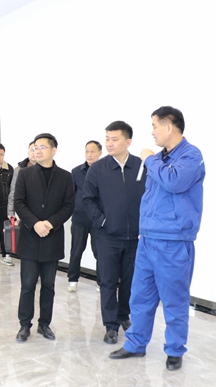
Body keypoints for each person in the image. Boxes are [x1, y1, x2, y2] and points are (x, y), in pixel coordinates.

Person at [110, 106, 205, 372]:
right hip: (148, 239)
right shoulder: (160, 158)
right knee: (140, 297)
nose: (152, 132)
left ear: (169, 126)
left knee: (174, 300)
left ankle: (174, 350)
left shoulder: (190, 155)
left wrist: (150, 160)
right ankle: (135, 344)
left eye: (154, 126)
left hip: (173, 241)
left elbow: (174, 182)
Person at [82, 121, 146, 345]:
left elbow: (151, 198)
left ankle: (123, 315)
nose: (109, 143)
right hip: (108, 236)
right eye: (107, 139)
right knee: (108, 282)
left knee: (130, 281)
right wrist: (102, 222)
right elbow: (87, 199)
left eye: (114, 139)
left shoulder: (141, 166)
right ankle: (110, 325)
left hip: (135, 237)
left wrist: (145, 226)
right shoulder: (98, 169)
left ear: (128, 142)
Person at [14, 133, 74, 342]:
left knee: (48, 285)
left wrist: (49, 223)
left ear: (53, 150)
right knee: (27, 284)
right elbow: (19, 202)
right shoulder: (25, 174)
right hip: (30, 237)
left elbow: (69, 206)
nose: (37, 151)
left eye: (42, 147)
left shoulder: (65, 177)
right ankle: (24, 325)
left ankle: (44, 324)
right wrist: (35, 223)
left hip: (52, 238)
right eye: (35, 147)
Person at [67, 140, 102, 292]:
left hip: (97, 219)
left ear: (100, 153)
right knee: (76, 251)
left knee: (99, 252)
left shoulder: (104, 171)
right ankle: (72, 279)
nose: (89, 154)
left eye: (92, 151)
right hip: (79, 218)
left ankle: (101, 281)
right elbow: (71, 195)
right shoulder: (76, 172)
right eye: (87, 151)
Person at [7, 141, 36, 219]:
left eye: (36, 149)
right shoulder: (19, 170)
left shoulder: (46, 169)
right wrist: (11, 211)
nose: (33, 152)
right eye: (32, 150)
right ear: (28, 152)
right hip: (24, 209)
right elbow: (13, 191)